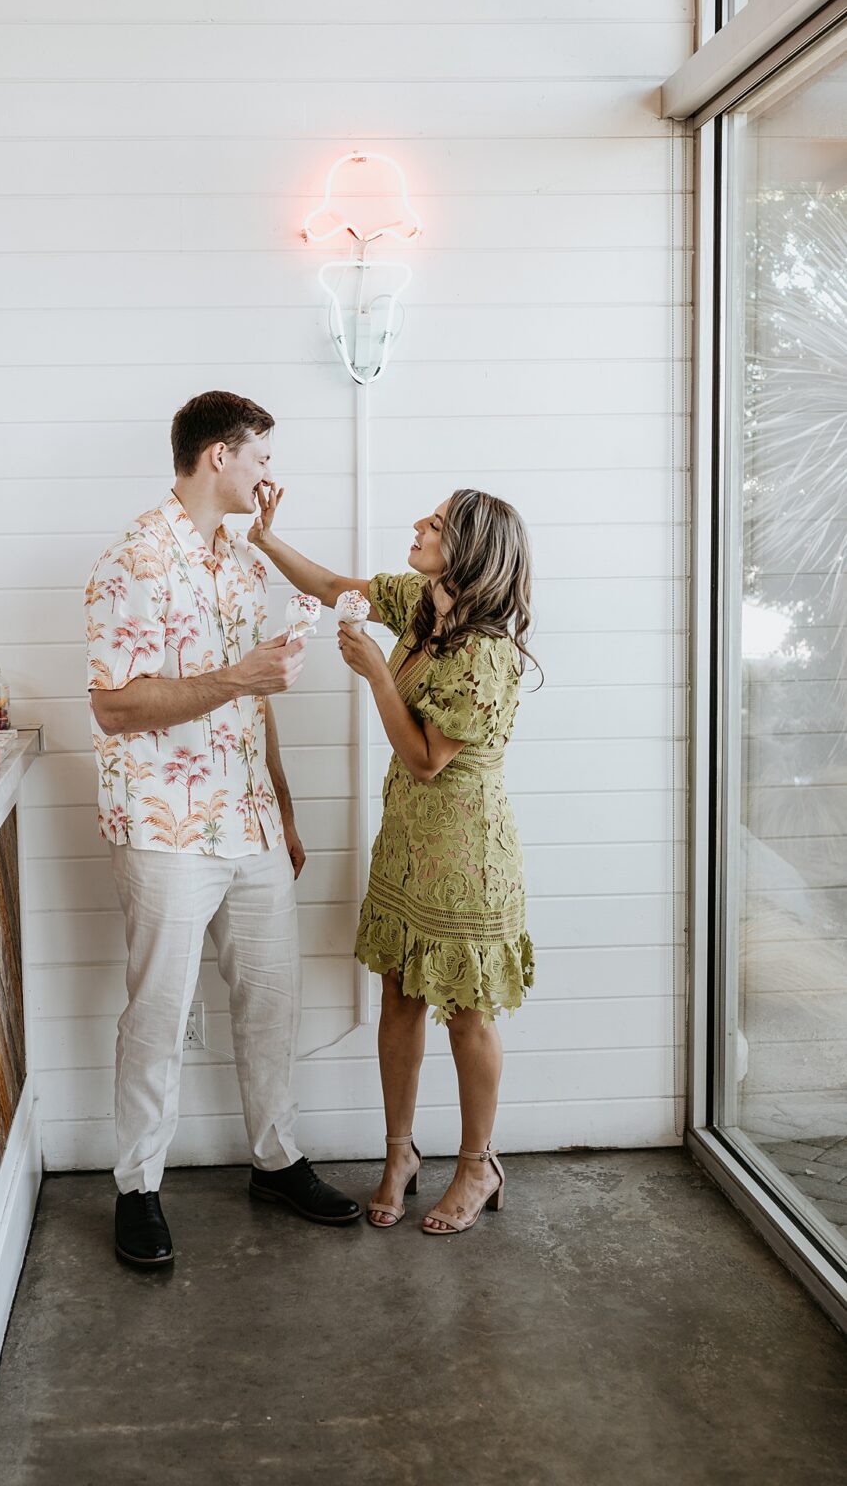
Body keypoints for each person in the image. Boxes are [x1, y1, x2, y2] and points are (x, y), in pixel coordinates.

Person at [86, 391, 361, 1269]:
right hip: (164, 822)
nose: (269, 474)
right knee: (158, 1012)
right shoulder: (131, 558)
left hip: (248, 821)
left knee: (271, 1000)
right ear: (218, 457)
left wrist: (281, 806)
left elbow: (258, 701)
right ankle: (137, 1186)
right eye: (261, 459)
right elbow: (114, 705)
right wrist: (234, 676)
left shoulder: (245, 566)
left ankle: (275, 1160)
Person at [249, 484, 537, 1236]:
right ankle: (401, 1155)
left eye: (436, 523)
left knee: (466, 1014)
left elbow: (424, 760)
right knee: (400, 998)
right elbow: (331, 585)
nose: (418, 524)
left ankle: (478, 1164)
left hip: (468, 855)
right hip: (407, 849)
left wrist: (378, 673)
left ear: (469, 551)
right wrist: (265, 539)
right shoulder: (418, 601)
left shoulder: (488, 655)